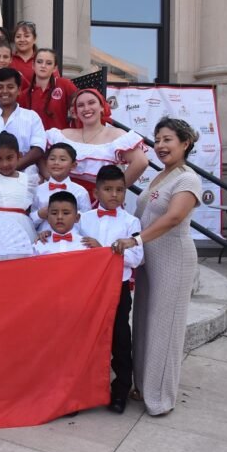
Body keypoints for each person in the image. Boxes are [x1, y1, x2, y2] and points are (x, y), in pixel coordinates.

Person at [113, 118, 202, 417]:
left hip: (173, 258)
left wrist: (135, 240)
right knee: (144, 324)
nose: (161, 146)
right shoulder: (160, 176)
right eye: (157, 140)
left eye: (167, 140)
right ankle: (143, 385)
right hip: (148, 258)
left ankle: (160, 398)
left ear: (185, 143)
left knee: (165, 327)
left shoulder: (188, 179)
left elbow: (174, 217)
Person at [79, 165, 143, 414]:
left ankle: (120, 392)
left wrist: (104, 250)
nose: (114, 195)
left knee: (120, 339)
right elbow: (75, 250)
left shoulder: (131, 222)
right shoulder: (83, 219)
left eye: (119, 190)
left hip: (119, 287)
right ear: (96, 191)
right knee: (86, 339)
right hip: (88, 289)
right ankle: (83, 391)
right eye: (108, 189)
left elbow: (137, 257)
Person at [46, 88, 149, 201]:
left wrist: (114, 191)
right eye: (80, 105)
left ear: (101, 106)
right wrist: (51, 180)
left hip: (99, 202)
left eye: (91, 102)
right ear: (75, 111)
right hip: (64, 200)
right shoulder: (62, 135)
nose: (86, 108)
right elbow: (39, 155)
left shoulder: (116, 135)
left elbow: (141, 162)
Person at [0, 132, 36, 241]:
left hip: (21, 231)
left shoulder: (28, 180)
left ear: (19, 155)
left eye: (9, 158)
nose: (5, 164)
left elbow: (29, 211)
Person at [30, 142, 91, 230]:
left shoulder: (80, 191)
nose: (56, 163)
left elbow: (87, 220)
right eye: (52, 159)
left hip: (73, 240)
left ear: (73, 165)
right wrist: (39, 214)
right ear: (46, 162)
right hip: (44, 240)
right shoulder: (38, 190)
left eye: (62, 159)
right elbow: (31, 221)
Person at [19, 48, 78, 131]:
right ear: (33, 65)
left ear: (55, 68)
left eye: (49, 63)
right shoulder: (24, 95)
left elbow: (79, 108)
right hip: (35, 143)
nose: (43, 66)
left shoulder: (65, 84)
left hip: (61, 141)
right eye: (39, 62)